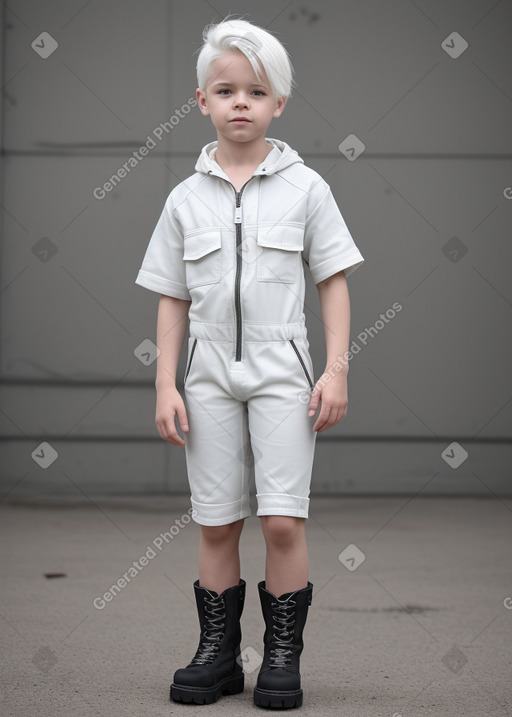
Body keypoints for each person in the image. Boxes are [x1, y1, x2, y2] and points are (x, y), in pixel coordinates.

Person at [135, 16, 364, 710]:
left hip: (281, 372)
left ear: (278, 104)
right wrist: (165, 382)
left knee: (282, 519)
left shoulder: (307, 189)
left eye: (256, 91)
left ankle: (281, 656)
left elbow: (333, 280)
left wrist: (336, 369)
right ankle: (219, 654)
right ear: (201, 100)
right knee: (214, 519)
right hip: (205, 375)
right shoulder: (185, 198)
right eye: (225, 89)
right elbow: (172, 297)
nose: (241, 102)